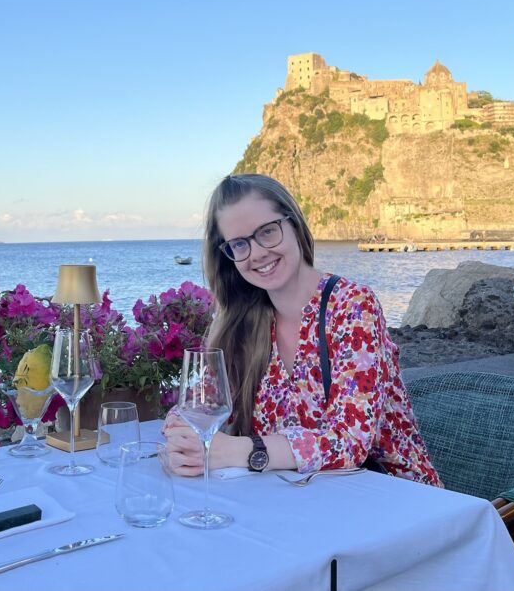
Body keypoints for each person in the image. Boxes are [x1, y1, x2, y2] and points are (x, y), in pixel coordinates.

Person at [163, 173, 440, 486]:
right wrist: (183, 440)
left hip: (395, 495)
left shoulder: (351, 306)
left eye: (267, 232)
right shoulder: (242, 324)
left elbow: (350, 442)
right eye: (239, 244)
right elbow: (195, 409)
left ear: (294, 224)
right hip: (296, 496)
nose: (257, 253)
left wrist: (239, 451)